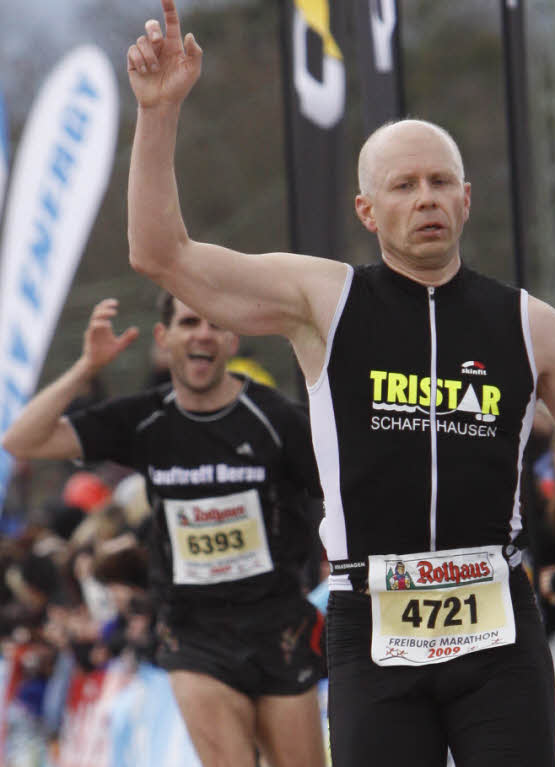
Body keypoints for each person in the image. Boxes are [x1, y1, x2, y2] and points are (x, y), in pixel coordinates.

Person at [122, 3, 555, 765]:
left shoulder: (529, 323)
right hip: (374, 624)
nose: (425, 199)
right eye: (405, 185)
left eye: (441, 182)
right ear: (367, 209)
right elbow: (162, 254)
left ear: (466, 199)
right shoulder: (321, 301)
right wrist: (159, 114)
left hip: (498, 629)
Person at [1, 295, 326, 767]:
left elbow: (345, 488)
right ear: (164, 338)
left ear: (232, 338)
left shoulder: (275, 419)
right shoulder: (146, 419)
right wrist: (86, 367)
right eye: (189, 322)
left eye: (216, 323)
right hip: (194, 634)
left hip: (280, 627)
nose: (202, 334)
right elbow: (20, 439)